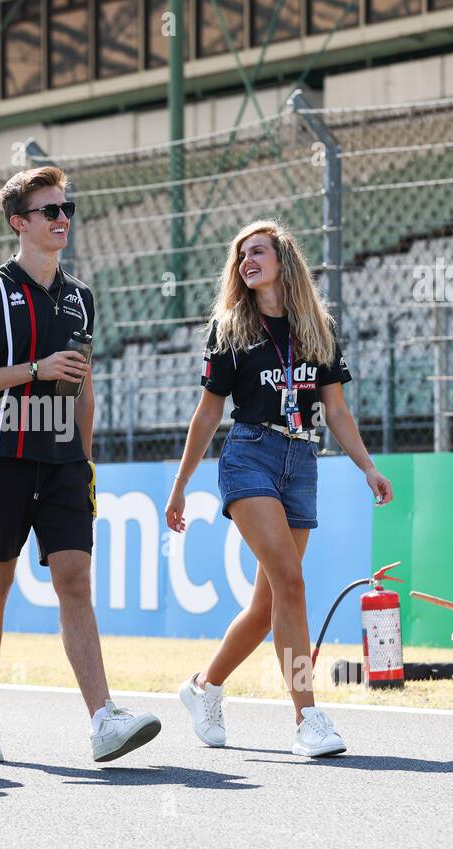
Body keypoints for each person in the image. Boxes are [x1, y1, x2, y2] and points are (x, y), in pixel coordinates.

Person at [0, 165, 160, 764]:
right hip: (3, 457)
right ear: (20, 223)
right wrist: (34, 370)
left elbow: (83, 384)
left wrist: (85, 461)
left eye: (68, 209)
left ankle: (102, 720)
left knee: (75, 581)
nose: (62, 219)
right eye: (50, 211)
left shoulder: (81, 295)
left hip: (65, 464)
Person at [165, 219, 393, 757]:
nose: (247, 261)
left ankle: (204, 688)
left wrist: (367, 466)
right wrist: (180, 485)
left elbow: (336, 409)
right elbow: (207, 412)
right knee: (291, 582)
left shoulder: (317, 327)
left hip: (302, 458)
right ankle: (307, 717)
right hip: (249, 455)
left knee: (270, 604)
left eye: (258, 251)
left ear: (283, 259)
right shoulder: (229, 328)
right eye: (241, 255)